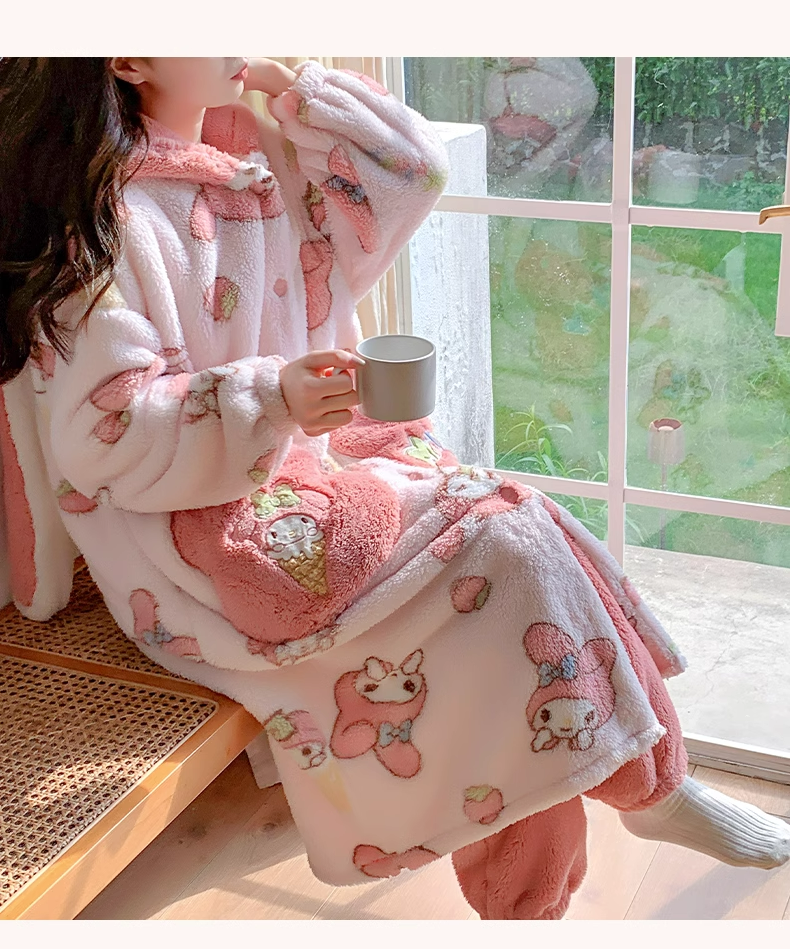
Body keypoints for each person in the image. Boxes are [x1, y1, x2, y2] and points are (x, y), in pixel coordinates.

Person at [0, 57, 788, 920]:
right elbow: (104, 433)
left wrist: (304, 90)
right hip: (208, 529)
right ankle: (639, 801)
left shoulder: (261, 160)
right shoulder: (105, 223)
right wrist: (271, 396)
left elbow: (413, 169)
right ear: (126, 59)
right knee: (505, 549)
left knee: (518, 536)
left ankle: (606, 831)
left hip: (323, 459)